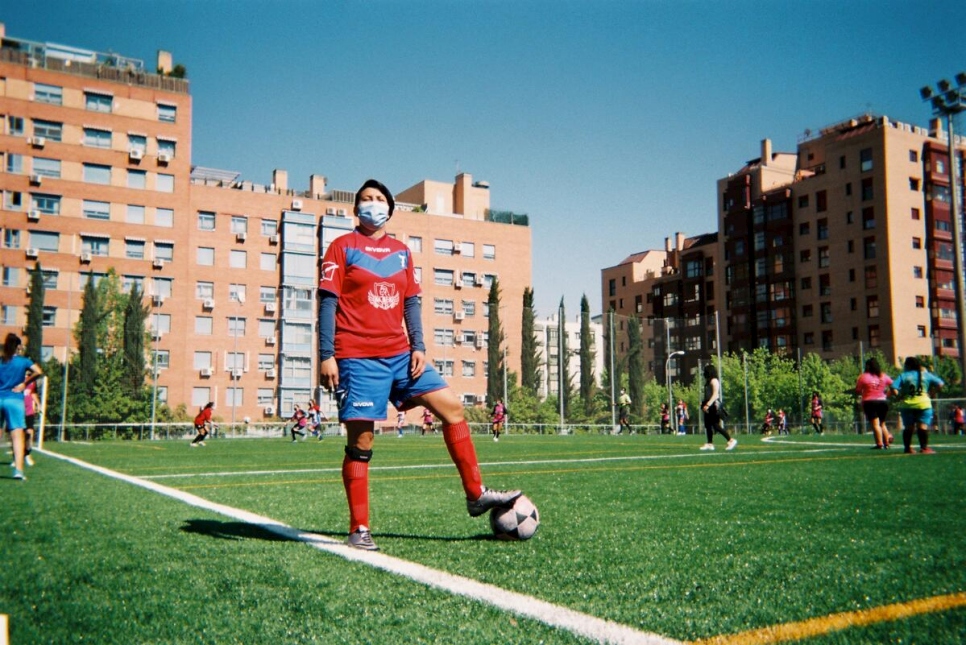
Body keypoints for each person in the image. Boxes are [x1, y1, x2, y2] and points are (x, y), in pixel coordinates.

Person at [318, 179, 522, 551]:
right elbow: (328, 302)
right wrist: (327, 354)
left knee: (452, 408)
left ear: (390, 210)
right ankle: (358, 528)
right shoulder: (341, 247)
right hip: (358, 358)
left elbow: (411, 302)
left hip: (401, 353)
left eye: (379, 199)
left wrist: (420, 346)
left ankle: (476, 494)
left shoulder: (401, 252)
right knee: (361, 442)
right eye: (365, 199)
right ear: (355, 208)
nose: (372, 204)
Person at [0, 334, 43, 480]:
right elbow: (38, 371)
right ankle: (18, 471)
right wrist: (24, 383)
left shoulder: (1, 361)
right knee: (17, 437)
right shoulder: (23, 361)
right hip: (15, 401)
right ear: (18, 346)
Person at [890, 356, 944, 455]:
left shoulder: (904, 375)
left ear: (907, 365)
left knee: (908, 428)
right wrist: (931, 393)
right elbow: (940, 384)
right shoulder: (926, 375)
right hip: (924, 404)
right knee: (922, 426)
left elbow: (893, 387)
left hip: (907, 405)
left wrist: (899, 396)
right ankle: (924, 448)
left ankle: (907, 449)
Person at [855, 357, 894, 449]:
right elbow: (894, 386)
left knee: (875, 424)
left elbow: (858, 390)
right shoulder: (883, 376)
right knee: (882, 423)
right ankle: (887, 443)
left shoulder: (863, 377)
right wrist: (886, 395)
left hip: (870, 402)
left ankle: (879, 444)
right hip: (883, 401)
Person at [699, 364, 737, 451]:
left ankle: (730, 440)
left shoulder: (714, 381)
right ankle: (709, 443)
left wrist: (708, 404)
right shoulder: (708, 382)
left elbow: (715, 394)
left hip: (713, 405)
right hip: (708, 404)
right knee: (708, 425)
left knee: (716, 425)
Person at [22, 369, 40, 467]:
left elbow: (33, 393)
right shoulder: (16, 380)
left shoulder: (32, 381)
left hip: (29, 412)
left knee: (29, 433)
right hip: (18, 411)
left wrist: (38, 404)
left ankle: (27, 454)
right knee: (18, 435)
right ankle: (17, 457)